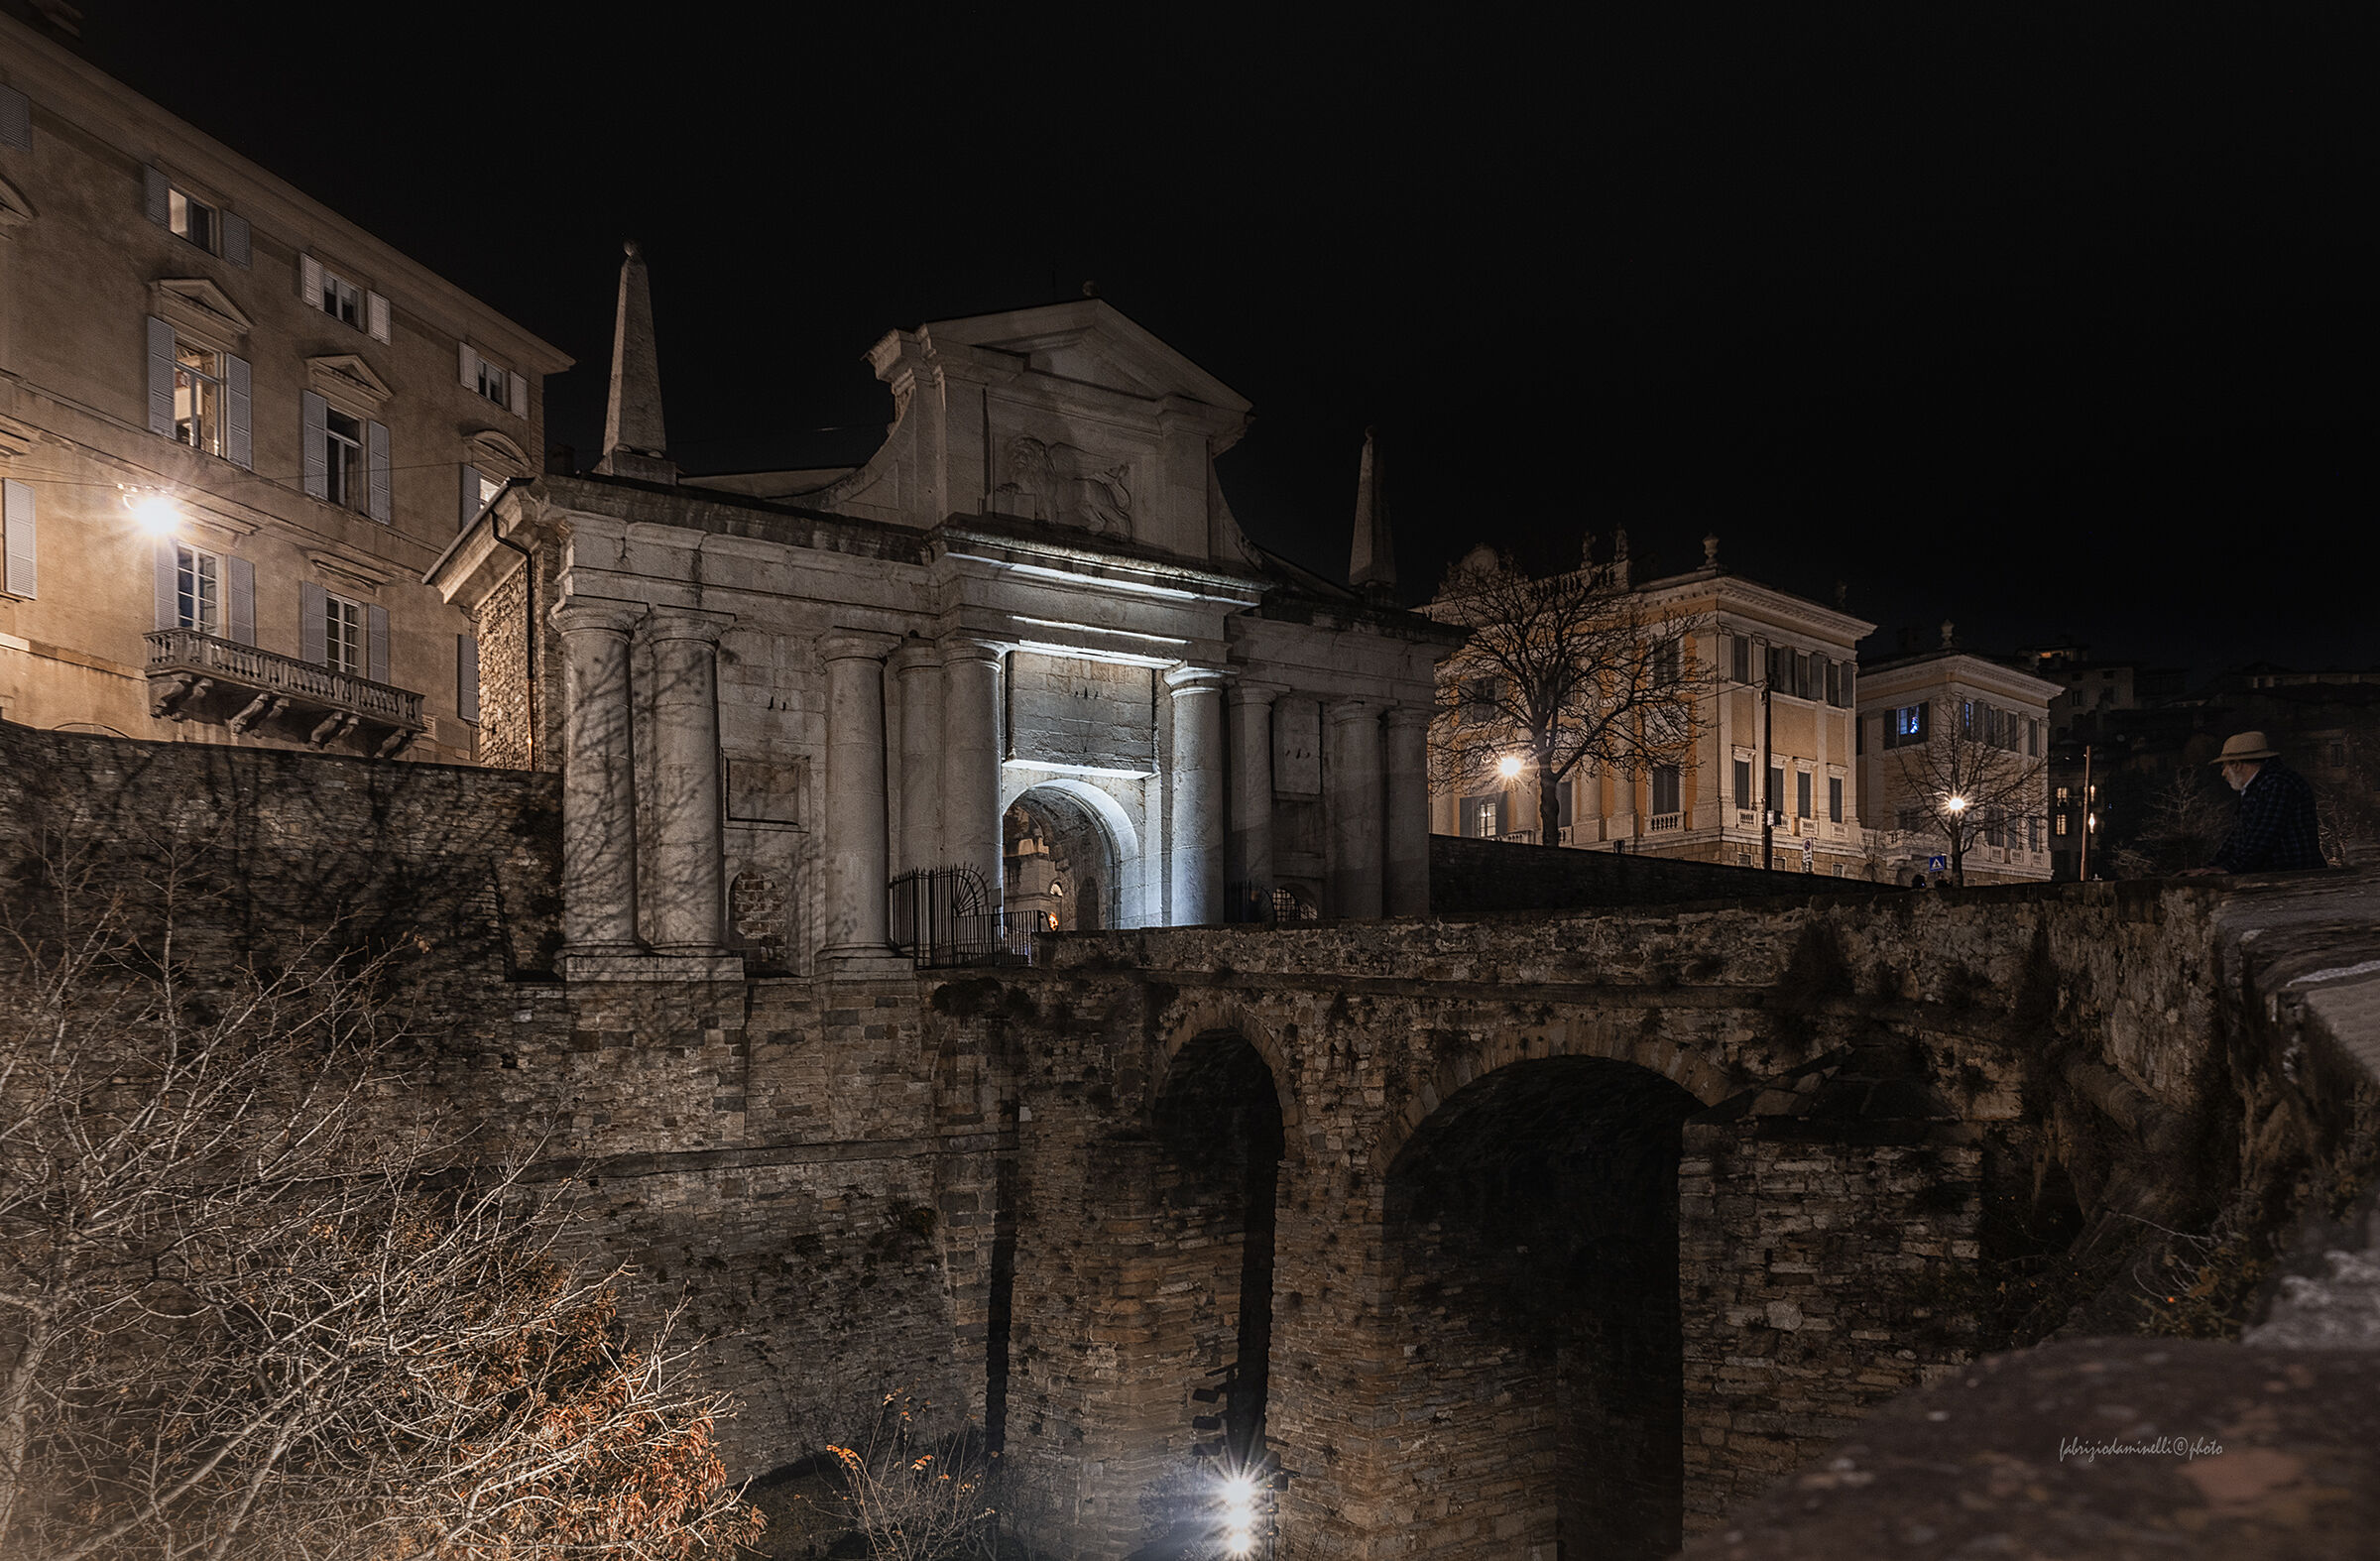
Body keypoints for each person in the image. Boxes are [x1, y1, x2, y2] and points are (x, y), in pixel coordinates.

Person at [2185, 731, 2325, 875]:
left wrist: (2228, 867)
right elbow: (2240, 837)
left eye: (2224, 766)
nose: (2223, 773)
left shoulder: (2277, 784)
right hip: (2285, 874)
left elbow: (2265, 835)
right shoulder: (2261, 786)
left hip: (2293, 875)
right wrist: (2212, 867)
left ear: (2237, 764)